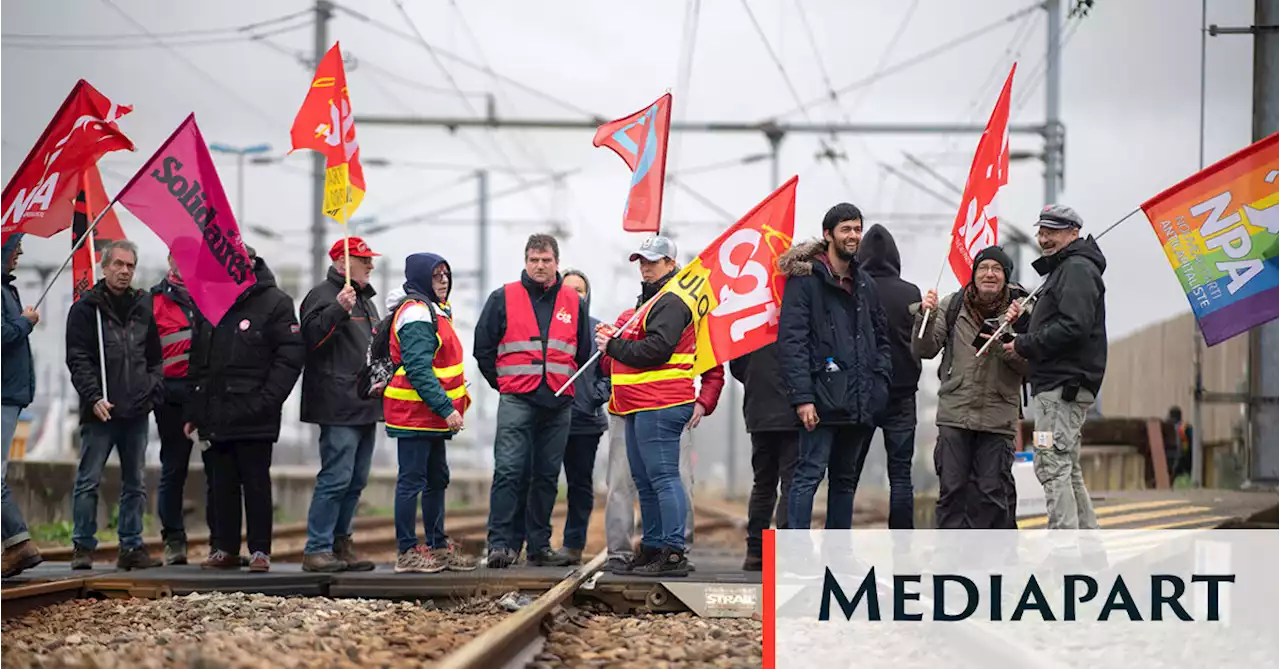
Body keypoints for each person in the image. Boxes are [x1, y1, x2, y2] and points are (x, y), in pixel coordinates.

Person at [598, 235, 724, 577]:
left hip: (661, 402)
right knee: (647, 478)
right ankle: (653, 547)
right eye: (641, 261)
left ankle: (672, 551)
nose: (645, 267)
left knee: (664, 478)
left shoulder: (672, 300)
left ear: (671, 263)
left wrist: (612, 345)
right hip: (640, 404)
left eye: (652, 261)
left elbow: (657, 350)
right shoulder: (654, 301)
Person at [474, 234, 593, 568]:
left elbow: (582, 352)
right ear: (526, 261)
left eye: (546, 260)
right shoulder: (503, 298)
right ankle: (499, 543)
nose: (540, 266)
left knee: (546, 475)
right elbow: (483, 347)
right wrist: (503, 385)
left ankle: (539, 545)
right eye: (533, 260)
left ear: (556, 262)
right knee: (509, 471)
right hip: (517, 399)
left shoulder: (573, 301)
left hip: (558, 402)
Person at [186, 247, 304, 572]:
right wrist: (195, 410)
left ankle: (259, 551)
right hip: (216, 412)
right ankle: (224, 548)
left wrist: (267, 400)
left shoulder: (276, 302)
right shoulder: (211, 301)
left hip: (255, 413)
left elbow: (290, 358)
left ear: (250, 266)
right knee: (220, 483)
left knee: (255, 483)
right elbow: (198, 360)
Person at [777, 204, 892, 531]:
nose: (853, 236)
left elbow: (881, 338)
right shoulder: (805, 281)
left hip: (858, 400)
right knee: (808, 475)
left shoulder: (866, 283)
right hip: (820, 399)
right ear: (828, 234)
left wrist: (879, 385)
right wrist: (803, 398)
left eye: (857, 229)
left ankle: (838, 557)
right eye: (846, 229)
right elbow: (792, 341)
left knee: (844, 481)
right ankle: (797, 557)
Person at [1005, 204, 1106, 530]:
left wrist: (1023, 344)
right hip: (1063, 387)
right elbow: (1060, 323)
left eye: (1051, 232)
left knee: (1050, 463)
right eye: (1041, 231)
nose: (1043, 238)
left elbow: (1074, 326)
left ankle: (1064, 550)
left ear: (1073, 233)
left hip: (1062, 387)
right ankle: (1088, 549)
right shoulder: (1068, 269)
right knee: (1066, 466)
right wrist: (1024, 323)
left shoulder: (1075, 268)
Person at [914, 246, 1029, 529]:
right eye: (983, 268)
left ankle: (991, 563)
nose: (989, 274)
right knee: (952, 492)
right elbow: (925, 349)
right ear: (973, 274)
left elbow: (1032, 366)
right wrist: (924, 316)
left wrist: (1008, 338)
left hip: (998, 417)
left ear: (1006, 276)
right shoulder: (952, 305)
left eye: (997, 269)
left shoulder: (1024, 311)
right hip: (956, 414)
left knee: (992, 495)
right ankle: (950, 562)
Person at [66, 240, 163, 571]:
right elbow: (78, 359)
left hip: (136, 411)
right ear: (104, 267)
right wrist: (93, 397)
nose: (124, 271)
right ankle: (82, 546)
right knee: (88, 479)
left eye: (130, 266)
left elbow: (155, 359)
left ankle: (131, 546)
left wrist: (151, 391)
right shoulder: (85, 310)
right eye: (118, 264)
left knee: (135, 482)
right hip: (100, 411)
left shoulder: (143, 307)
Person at [385, 254, 477, 573]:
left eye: (446, 275)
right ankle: (407, 551)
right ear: (422, 278)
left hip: (430, 416)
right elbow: (418, 369)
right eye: (436, 275)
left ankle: (437, 546)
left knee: (437, 479)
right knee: (412, 480)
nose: (444, 281)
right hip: (413, 412)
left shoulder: (435, 311)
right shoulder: (416, 313)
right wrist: (446, 407)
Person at [299, 237, 383, 573]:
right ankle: (317, 548)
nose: (371, 265)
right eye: (364, 259)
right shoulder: (323, 296)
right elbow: (310, 340)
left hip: (364, 403)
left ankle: (339, 543)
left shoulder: (366, 302)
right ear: (343, 263)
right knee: (336, 477)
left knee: (356, 479)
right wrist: (338, 309)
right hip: (337, 404)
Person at [853, 224, 922, 529]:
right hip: (903, 394)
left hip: (862, 395)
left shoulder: (856, 289)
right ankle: (903, 548)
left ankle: (838, 545)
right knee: (901, 477)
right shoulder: (910, 293)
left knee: (847, 475)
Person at [150, 254, 206, 566]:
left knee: (218, 470)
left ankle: (221, 544)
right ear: (170, 259)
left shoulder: (210, 296)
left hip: (207, 394)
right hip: (170, 396)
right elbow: (146, 350)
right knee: (173, 469)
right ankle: (174, 540)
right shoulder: (154, 301)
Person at [555, 269, 610, 565]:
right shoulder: (547, 327)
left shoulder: (598, 330)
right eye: (569, 289)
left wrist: (594, 397)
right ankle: (536, 543)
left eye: (580, 290)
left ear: (587, 295)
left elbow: (611, 373)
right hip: (550, 419)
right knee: (542, 482)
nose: (575, 295)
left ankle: (573, 544)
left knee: (579, 484)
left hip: (585, 422)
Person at [729, 342, 798, 571]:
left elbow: (737, 365)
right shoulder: (797, 318)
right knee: (791, 484)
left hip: (758, 412)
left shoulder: (752, 322)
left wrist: (757, 381)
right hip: (792, 412)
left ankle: (756, 553)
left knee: (763, 485)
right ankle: (788, 554)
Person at [0, 234, 43, 578]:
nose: (21, 254)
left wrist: (23, 323)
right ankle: (16, 544)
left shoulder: (6, 289)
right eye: (15, 247)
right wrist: (25, 322)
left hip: (6, 394)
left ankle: (17, 545)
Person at [1166, 406, 1193, 480]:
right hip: (1189, 456)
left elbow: (1181, 446)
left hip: (1181, 456)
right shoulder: (1186, 426)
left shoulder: (1178, 428)